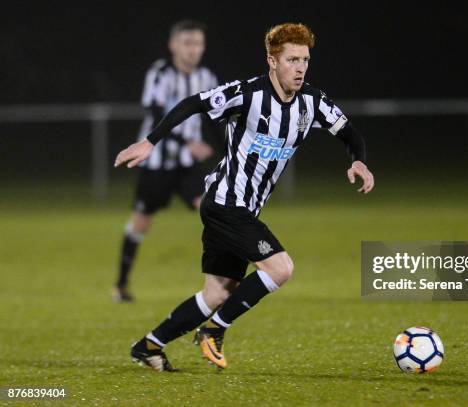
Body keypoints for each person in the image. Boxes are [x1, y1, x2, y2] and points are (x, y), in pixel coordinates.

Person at [114, 22, 374, 371]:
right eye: (292, 60)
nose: (299, 68)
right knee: (281, 268)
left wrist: (358, 160)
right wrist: (150, 141)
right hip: (225, 204)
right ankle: (214, 331)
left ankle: (148, 346)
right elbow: (194, 103)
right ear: (272, 61)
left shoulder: (312, 102)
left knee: (217, 293)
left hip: (242, 210)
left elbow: (349, 132)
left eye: (305, 60)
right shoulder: (248, 94)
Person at [113, 20, 219, 302]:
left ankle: (221, 281)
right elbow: (155, 113)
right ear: (173, 45)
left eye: (198, 43)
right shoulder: (160, 73)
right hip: (156, 164)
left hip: (188, 166)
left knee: (213, 213)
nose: (193, 49)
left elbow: (215, 119)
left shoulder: (207, 77)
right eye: (187, 43)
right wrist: (188, 142)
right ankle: (121, 285)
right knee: (140, 223)